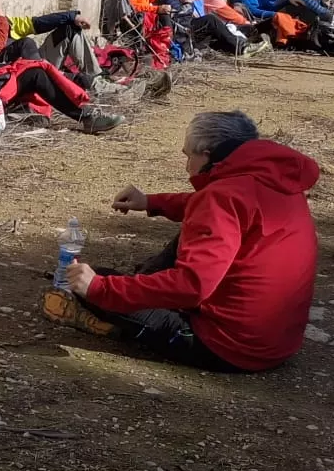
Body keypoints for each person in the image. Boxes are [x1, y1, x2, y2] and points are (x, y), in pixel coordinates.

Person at [45, 111, 316, 370]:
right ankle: (142, 287)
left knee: (96, 282)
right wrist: (152, 202)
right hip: (277, 341)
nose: (187, 166)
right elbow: (208, 207)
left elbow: (192, 285)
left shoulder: (220, 197)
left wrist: (99, 288)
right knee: (190, 231)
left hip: (228, 347)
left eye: (189, 156)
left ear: (208, 155)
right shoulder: (275, 178)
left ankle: (116, 307)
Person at [0, 0, 121, 133]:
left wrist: (70, 16)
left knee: (35, 64)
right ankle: (86, 115)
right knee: (36, 72)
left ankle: (85, 111)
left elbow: (37, 23)